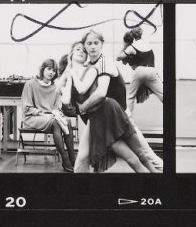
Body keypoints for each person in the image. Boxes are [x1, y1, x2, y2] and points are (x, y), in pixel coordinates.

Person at [67, 27, 161, 172]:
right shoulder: (89, 65)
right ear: (85, 46)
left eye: (96, 43)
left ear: (102, 44)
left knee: (143, 154)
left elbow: (101, 93)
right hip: (100, 117)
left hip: (119, 115)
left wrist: (83, 107)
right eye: (89, 43)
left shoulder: (104, 62)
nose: (92, 47)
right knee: (83, 156)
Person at [19, 55, 77, 172]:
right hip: (33, 117)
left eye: (54, 70)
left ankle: (72, 157)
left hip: (50, 116)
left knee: (67, 121)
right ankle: (65, 159)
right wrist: (42, 113)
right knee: (56, 122)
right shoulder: (30, 84)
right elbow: (27, 108)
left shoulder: (55, 86)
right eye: (49, 69)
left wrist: (55, 113)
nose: (51, 72)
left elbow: (57, 106)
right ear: (43, 69)